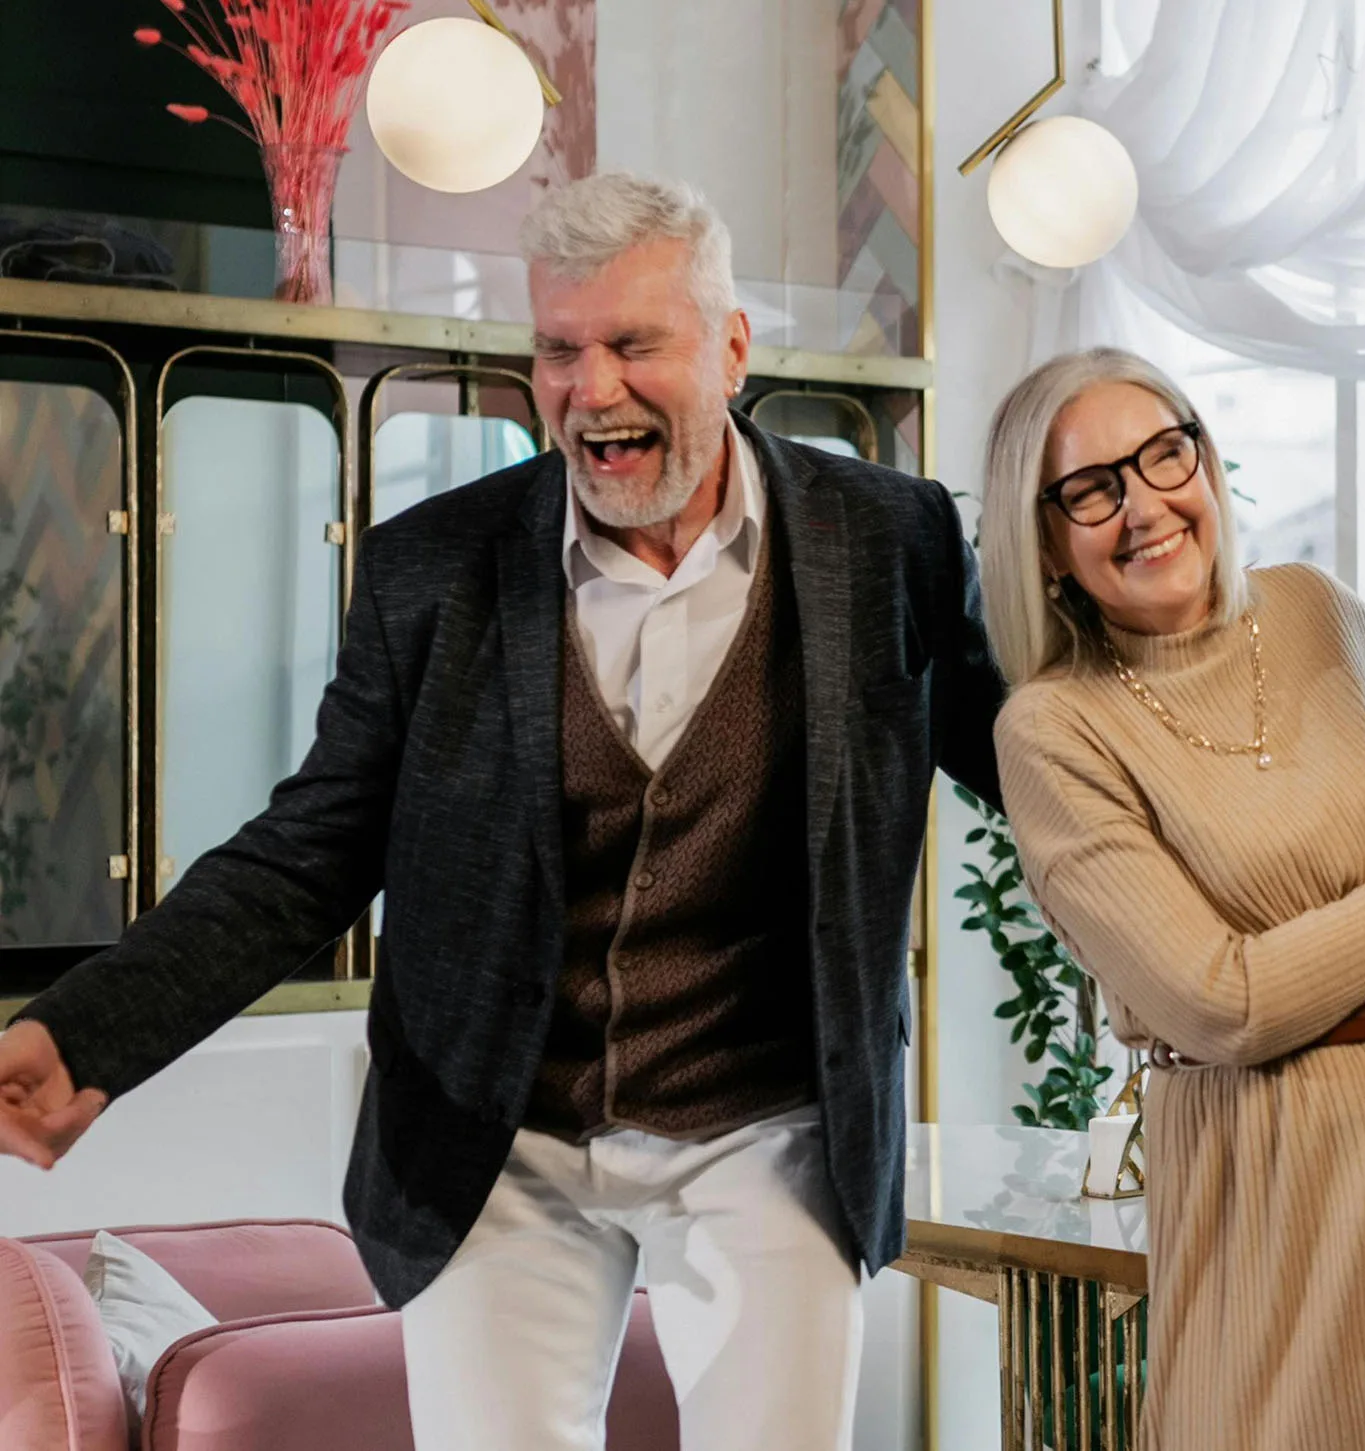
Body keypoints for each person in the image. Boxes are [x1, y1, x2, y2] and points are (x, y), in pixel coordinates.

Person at [0, 172, 1005, 1450]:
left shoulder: (888, 539)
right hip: (498, 1128)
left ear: (733, 347)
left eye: (635, 344)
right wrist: (89, 1032)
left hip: (767, 1116)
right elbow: (305, 854)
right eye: (559, 349)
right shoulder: (433, 568)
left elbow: (1020, 751)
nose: (593, 391)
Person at [980, 347, 1365, 1451]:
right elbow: (1220, 1003)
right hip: (1270, 1162)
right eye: (1092, 489)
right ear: (1042, 543)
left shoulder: (1315, 609)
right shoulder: (1053, 729)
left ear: (1206, 459)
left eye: (1164, 453)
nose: (1144, 504)